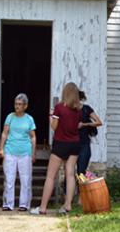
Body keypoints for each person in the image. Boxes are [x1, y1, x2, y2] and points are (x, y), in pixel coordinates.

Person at [30, 82, 81, 215]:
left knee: (50, 176)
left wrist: (51, 116)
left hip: (61, 143)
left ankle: (42, 208)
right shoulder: (78, 109)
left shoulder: (59, 108)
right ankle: (68, 205)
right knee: (70, 174)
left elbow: (54, 126)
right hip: (75, 144)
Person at [0, 93, 37, 211]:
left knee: (25, 179)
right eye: (16, 104)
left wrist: (33, 153)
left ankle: (24, 204)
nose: (17, 106)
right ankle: (8, 204)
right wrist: (1, 148)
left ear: (25, 106)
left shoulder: (29, 119)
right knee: (9, 178)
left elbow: (33, 137)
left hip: (25, 152)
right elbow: (4, 133)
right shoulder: (10, 117)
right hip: (10, 151)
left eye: (20, 104)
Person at [77, 90, 103, 176]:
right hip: (72, 142)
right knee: (69, 171)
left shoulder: (86, 109)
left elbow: (99, 122)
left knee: (81, 170)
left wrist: (85, 124)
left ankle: (81, 189)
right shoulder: (70, 109)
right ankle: (69, 189)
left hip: (84, 143)